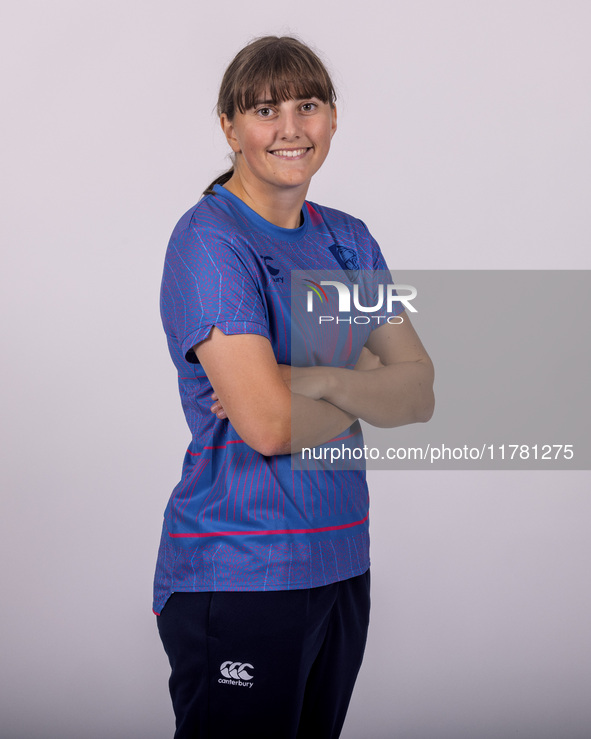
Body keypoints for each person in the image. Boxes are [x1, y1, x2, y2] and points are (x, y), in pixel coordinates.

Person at [155, 35, 434, 739]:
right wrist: (367, 384)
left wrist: (310, 377)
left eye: (307, 105)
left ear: (332, 118)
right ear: (229, 127)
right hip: (241, 569)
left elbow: (420, 393)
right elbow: (268, 427)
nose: (289, 128)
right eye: (263, 109)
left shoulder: (347, 239)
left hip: (341, 560)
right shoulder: (212, 242)